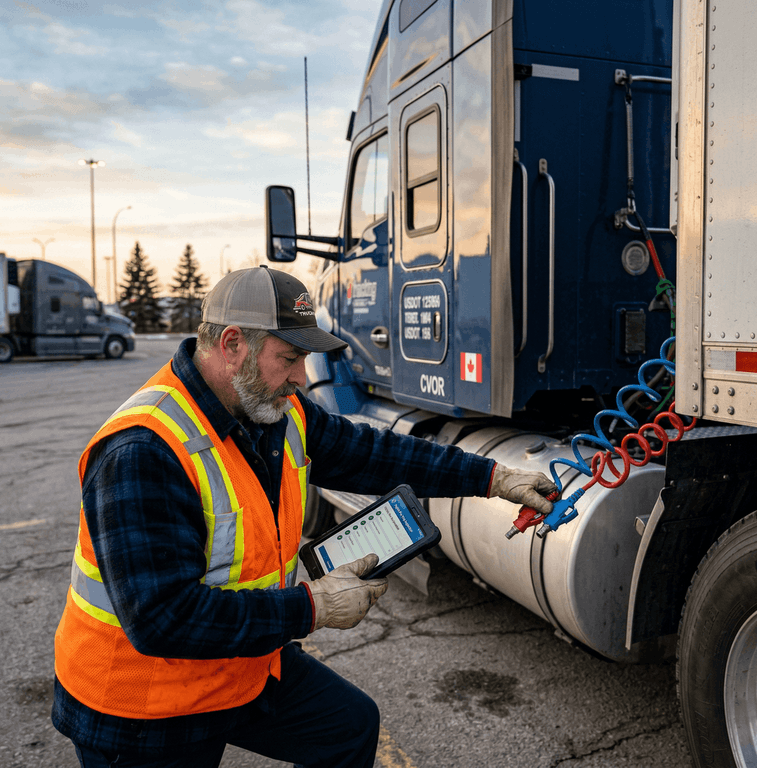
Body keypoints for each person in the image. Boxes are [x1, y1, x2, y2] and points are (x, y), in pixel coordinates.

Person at [52, 266, 557, 768]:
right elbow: (163, 619)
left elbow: (373, 454)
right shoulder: (144, 449)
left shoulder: (272, 407)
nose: (301, 378)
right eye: (290, 359)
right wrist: (312, 607)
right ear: (232, 345)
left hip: (235, 664)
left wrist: (494, 478)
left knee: (347, 727)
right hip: (144, 704)